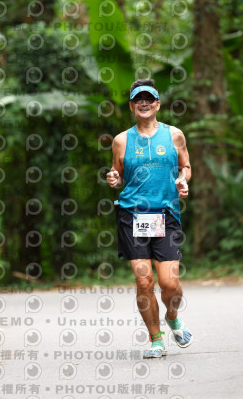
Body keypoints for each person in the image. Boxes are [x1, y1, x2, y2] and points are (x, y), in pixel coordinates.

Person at [106, 79, 193, 359]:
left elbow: (186, 166)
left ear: (157, 104)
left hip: (166, 213)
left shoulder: (174, 135)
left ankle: (173, 316)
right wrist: (114, 178)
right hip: (132, 215)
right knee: (144, 282)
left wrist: (183, 179)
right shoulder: (121, 140)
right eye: (138, 100)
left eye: (149, 99)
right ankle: (156, 340)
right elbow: (117, 174)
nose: (144, 103)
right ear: (132, 106)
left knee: (169, 284)